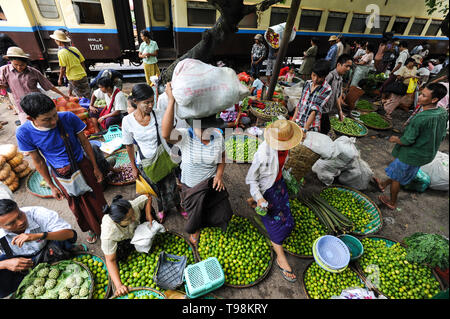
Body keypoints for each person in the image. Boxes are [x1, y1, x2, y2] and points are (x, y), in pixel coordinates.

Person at [15, 93, 106, 244]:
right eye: (46, 119)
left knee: (96, 197)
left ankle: (106, 223)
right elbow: (38, 161)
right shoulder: (24, 132)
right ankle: (91, 227)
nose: (53, 121)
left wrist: (95, 167)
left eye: (54, 115)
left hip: (82, 165)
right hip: (61, 174)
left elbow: (85, 142)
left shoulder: (68, 118)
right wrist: (51, 185)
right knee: (76, 203)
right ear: (31, 118)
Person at [161, 83, 233, 247]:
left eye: (210, 128)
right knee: (194, 213)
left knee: (217, 210)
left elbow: (223, 156)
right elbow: (166, 134)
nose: (206, 132)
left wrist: (219, 175)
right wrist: (171, 101)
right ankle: (196, 229)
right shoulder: (186, 137)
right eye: (202, 129)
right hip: (190, 186)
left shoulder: (218, 137)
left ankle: (206, 223)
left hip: (209, 184)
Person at [374, 83, 448, 210]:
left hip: (411, 154)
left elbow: (407, 140)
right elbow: (442, 135)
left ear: (434, 99)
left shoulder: (420, 118)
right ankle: (382, 184)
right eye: (421, 93)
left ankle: (392, 202)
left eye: (424, 96)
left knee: (397, 177)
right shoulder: (442, 112)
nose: (419, 97)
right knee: (398, 172)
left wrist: (396, 139)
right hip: (426, 154)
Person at [246, 120, 303, 283]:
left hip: (278, 184)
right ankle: (281, 257)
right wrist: (260, 196)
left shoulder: (285, 147)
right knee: (275, 223)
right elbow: (251, 179)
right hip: (268, 188)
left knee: (286, 212)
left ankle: (253, 200)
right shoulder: (264, 154)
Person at [122, 84, 184, 224]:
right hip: (146, 162)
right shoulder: (127, 121)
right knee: (155, 190)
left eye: (152, 101)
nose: (150, 105)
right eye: (146, 102)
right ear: (135, 101)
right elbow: (129, 145)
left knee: (171, 186)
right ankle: (162, 209)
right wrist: (133, 167)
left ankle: (178, 206)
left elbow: (171, 129)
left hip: (164, 158)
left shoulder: (159, 114)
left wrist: (171, 100)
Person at [0, 198, 86, 298]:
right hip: (23, 259)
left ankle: (70, 250)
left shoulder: (39, 214)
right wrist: (6, 264)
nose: (21, 222)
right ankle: (18, 286)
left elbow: (70, 234)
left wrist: (39, 236)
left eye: (20, 215)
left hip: (48, 246)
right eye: (11, 223)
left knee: (64, 240)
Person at [100, 194, 164, 296]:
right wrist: (119, 285)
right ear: (117, 222)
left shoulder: (132, 206)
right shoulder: (109, 233)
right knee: (120, 255)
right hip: (122, 237)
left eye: (133, 214)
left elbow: (148, 197)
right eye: (128, 219)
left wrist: (148, 214)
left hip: (133, 228)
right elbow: (110, 260)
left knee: (149, 230)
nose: (134, 218)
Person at [0, 47, 70, 125]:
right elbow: (5, 86)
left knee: (44, 123)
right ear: (10, 61)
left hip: (37, 103)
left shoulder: (33, 72)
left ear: (26, 62)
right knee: (27, 125)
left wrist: (63, 95)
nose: (19, 67)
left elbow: (49, 85)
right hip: (21, 105)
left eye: (22, 65)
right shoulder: (4, 70)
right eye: (15, 65)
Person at [293, 60, 332, 132]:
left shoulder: (327, 89)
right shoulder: (307, 83)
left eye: (319, 77)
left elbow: (314, 111)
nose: (315, 79)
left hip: (310, 126)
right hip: (299, 120)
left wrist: (305, 129)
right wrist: (292, 121)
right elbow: (299, 104)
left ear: (325, 76)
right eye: (313, 75)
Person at [50, 30, 91, 99]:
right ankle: (92, 106)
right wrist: (83, 71)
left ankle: (87, 108)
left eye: (55, 40)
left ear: (58, 41)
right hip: (82, 75)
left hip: (73, 78)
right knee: (87, 93)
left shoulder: (61, 52)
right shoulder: (75, 49)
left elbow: (63, 68)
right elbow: (82, 62)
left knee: (81, 96)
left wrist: (60, 79)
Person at [322, 54, 353, 134]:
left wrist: (340, 112)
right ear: (339, 64)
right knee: (325, 130)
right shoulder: (330, 76)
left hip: (328, 111)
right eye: (346, 66)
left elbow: (337, 96)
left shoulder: (340, 78)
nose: (348, 69)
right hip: (322, 111)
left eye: (350, 67)